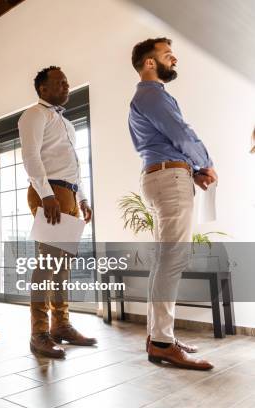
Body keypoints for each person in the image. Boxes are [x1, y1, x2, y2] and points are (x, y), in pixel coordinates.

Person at [129, 38, 216, 370]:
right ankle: (163, 342)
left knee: (164, 261)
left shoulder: (147, 97)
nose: (174, 58)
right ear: (150, 63)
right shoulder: (152, 94)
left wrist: (192, 170)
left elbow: (168, 139)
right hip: (169, 179)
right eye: (167, 54)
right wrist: (205, 163)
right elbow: (180, 133)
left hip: (164, 176)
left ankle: (158, 337)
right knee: (171, 260)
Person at [18, 66, 97, 359]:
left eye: (67, 82)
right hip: (49, 193)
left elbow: (75, 165)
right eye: (60, 82)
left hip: (70, 194)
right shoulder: (34, 115)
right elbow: (30, 156)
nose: (66, 86)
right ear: (43, 89)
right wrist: (46, 194)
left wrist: (84, 199)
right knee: (47, 264)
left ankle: (61, 325)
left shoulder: (66, 123)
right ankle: (38, 332)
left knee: (63, 266)